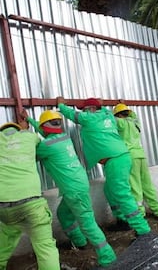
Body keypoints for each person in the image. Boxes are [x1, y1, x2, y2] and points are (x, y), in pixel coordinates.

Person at [22, 109, 117, 267]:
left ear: (45, 127)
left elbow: (31, 151)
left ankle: (108, 257)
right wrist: (30, 120)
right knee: (64, 214)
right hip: (78, 184)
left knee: (87, 223)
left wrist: (25, 131)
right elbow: (45, 132)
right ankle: (80, 242)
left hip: (73, 189)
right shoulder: (63, 137)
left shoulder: (46, 146)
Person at [57, 96, 151, 236]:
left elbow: (72, 114)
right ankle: (122, 220)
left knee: (122, 194)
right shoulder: (107, 114)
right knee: (109, 190)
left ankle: (143, 230)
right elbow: (100, 107)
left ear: (93, 109)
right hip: (122, 157)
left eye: (86, 110)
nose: (84, 112)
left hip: (115, 161)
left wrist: (61, 104)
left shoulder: (89, 118)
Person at [0, 120, 60, 270]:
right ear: (18, 130)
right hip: (31, 203)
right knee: (45, 248)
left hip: (3, 205)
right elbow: (44, 142)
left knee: (6, 237)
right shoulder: (29, 136)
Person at [113, 103, 158, 219]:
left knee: (135, 186)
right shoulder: (135, 123)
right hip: (141, 155)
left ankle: (141, 214)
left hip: (130, 156)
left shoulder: (120, 122)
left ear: (118, 115)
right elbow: (133, 115)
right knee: (147, 184)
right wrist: (123, 105)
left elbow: (112, 119)